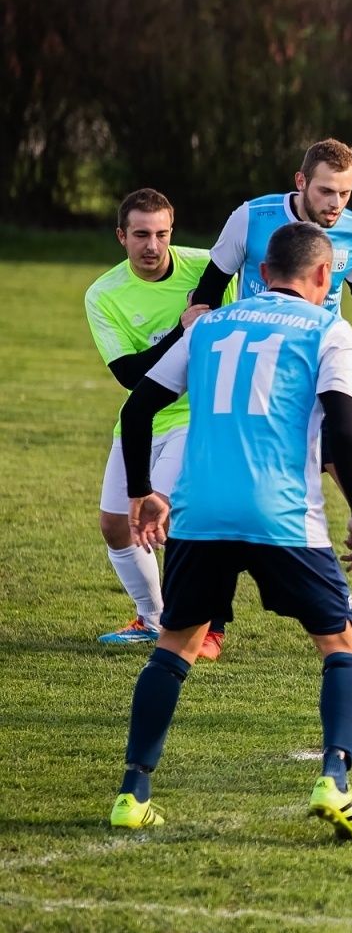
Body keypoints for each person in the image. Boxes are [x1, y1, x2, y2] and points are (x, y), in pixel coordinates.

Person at [110, 222, 352, 841]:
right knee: (341, 648)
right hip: (283, 515)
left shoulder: (207, 326)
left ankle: (133, 791)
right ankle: (335, 778)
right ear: (322, 277)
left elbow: (139, 405)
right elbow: (343, 419)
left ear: (258, 274)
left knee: (174, 646)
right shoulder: (329, 328)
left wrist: (141, 493)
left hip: (199, 512)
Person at [188, 138, 352, 661]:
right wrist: (198, 313)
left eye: (345, 192)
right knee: (237, 495)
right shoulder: (251, 219)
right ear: (300, 182)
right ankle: (212, 628)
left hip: (324, 380)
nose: (336, 203)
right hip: (261, 387)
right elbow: (212, 282)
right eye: (326, 191)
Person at [85, 189, 219, 645]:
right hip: (141, 418)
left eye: (162, 234)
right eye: (141, 234)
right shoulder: (104, 294)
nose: (152, 246)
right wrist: (182, 331)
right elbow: (128, 375)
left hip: (197, 417)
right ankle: (152, 619)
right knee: (114, 523)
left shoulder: (208, 266)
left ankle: (196, 626)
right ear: (122, 236)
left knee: (160, 512)